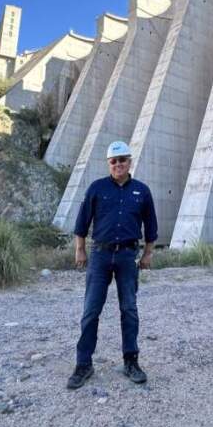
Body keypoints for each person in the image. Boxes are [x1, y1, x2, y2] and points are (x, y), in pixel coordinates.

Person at [66, 140, 158, 390]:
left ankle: (131, 361)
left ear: (130, 162)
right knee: (91, 310)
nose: (118, 164)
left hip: (128, 257)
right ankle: (83, 364)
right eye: (113, 161)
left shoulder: (142, 190)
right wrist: (80, 250)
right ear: (109, 164)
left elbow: (150, 226)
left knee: (129, 309)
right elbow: (81, 224)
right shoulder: (96, 188)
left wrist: (148, 254)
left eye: (122, 160)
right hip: (100, 256)